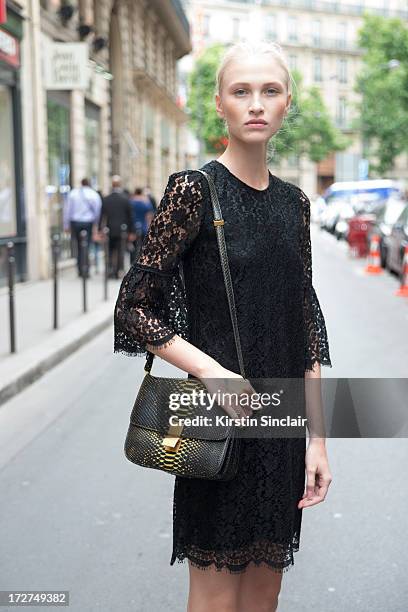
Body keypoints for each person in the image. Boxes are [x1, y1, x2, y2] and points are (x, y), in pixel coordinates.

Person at [114, 41, 333, 612]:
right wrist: (213, 373)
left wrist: (319, 441)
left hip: (280, 428)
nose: (256, 104)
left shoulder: (296, 204)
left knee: (265, 595)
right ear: (220, 105)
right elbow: (135, 307)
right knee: (213, 599)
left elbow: (304, 322)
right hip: (217, 420)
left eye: (270, 91)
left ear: (288, 103)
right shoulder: (194, 190)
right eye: (242, 92)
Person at [64, 178, 102, 277]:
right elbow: (97, 211)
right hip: (88, 223)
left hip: (75, 222)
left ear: (81, 183)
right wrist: (96, 225)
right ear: (89, 184)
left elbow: (67, 211)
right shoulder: (93, 194)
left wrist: (66, 225)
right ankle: (86, 269)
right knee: (87, 246)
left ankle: (80, 269)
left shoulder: (73, 194)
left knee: (77, 246)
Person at [98, 175, 135, 279]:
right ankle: (118, 270)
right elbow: (130, 216)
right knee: (120, 251)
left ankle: (110, 269)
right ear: (120, 185)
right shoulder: (125, 199)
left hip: (109, 229)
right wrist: (131, 231)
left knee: (109, 251)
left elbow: (102, 216)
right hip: (122, 230)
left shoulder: (106, 199)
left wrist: (100, 230)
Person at [129, 187, 155, 263]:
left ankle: (132, 260)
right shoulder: (146, 202)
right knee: (143, 246)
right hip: (143, 226)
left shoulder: (131, 201)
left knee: (133, 246)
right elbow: (149, 215)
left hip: (134, 226)